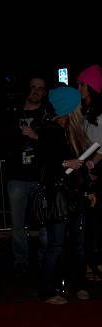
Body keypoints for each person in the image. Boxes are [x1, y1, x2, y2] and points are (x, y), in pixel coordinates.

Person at [38, 87, 92, 304]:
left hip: (75, 194)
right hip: (57, 196)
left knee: (78, 243)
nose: (81, 107)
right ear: (69, 107)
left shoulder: (74, 130)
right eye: (77, 104)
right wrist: (64, 164)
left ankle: (78, 285)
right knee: (56, 244)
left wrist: (85, 171)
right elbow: (43, 166)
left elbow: (77, 165)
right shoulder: (49, 130)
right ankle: (47, 290)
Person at [5, 77, 49, 275]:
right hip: (16, 177)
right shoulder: (13, 112)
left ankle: (45, 260)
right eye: (33, 88)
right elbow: (0, 139)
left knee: (44, 223)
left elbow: (55, 144)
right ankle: (20, 261)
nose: (36, 92)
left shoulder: (48, 114)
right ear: (27, 89)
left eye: (40, 89)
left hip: (40, 177)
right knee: (17, 224)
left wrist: (36, 137)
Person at [77, 64, 102, 280]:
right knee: (88, 222)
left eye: (81, 85)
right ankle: (90, 264)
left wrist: (92, 165)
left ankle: (94, 264)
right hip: (87, 169)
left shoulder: (99, 115)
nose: (79, 88)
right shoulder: (84, 111)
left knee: (94, 222)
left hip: (95, 171)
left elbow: (101, 146)